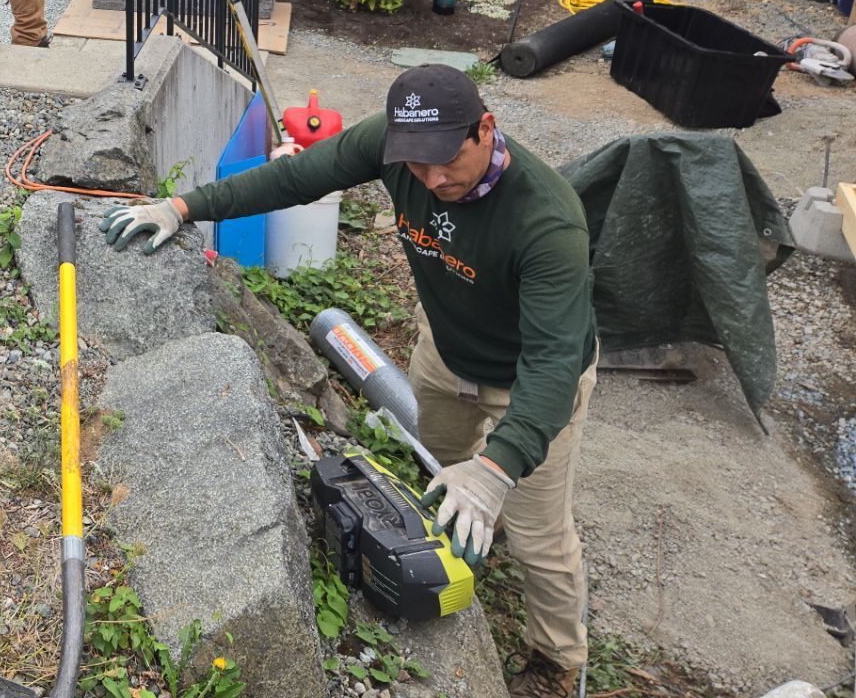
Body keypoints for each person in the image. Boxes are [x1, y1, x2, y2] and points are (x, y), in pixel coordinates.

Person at [101, 65, 596, 698]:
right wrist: (181, 206)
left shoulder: (547, 221)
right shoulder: (394, 149)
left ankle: (556, 663)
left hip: (528, 379)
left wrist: (499, 470)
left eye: (447, 162)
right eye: (417, 168)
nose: (433, 180)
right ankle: (475, 522)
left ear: (486, 128)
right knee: (444, 464)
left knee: (542, 534)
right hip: (447, 354)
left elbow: (553, 367)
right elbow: (296, 176)